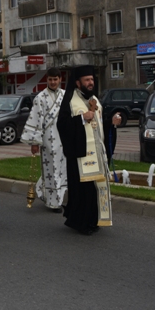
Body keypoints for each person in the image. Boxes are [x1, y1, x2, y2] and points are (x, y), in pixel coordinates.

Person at [57, 66, 120, 235]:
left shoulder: (94, 100)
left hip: (96, 154)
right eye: (87, 80)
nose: (91, 82)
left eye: (92, 79)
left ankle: (93, 220)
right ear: (78, 83)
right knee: (83, 191)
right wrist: (81, 118)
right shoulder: (71, 101)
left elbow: (99, 124)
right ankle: (80, 223)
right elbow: (62, 125)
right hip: (79, 155)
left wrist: (111, 123)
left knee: (95, 189)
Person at [20, 67, 68, 212]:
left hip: (64, 138)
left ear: (60, 79)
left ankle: (59, 197)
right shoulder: (40, 98)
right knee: (51, 169)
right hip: (48, 139)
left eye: (55, 79)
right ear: (47, 80)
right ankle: (53, 202)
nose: (53, 82)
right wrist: (35, 142)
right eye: (50, 79)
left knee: (63, 169)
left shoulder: (66, 95)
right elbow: (36, 120)